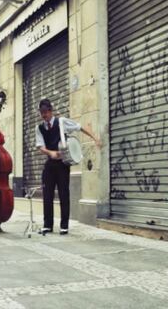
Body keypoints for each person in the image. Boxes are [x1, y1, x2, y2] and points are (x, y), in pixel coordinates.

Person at [36, 99, 101, 235]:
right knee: (47, 195)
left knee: (64, 194)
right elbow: (40, 147)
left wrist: (95, 138)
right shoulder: (40, 128)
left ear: (51, 110)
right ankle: (47, 225)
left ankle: (64, 225)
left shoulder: (61, 122)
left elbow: (79, 127)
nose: (44, 115)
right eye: (42, 113)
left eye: (46, 112)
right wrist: (50, 153)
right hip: (50, 164)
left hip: (62, 164)